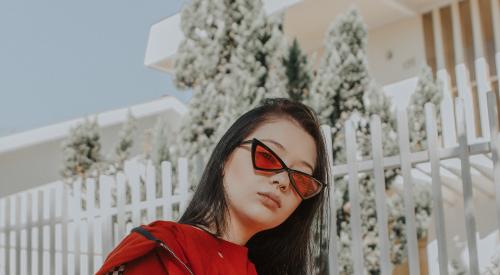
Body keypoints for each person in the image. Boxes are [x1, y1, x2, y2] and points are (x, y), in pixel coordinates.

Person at [96, 98, 331, 275]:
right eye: (268, 156)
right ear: (223, 158)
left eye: (300, 177)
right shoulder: (164, 250)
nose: (282, 181)